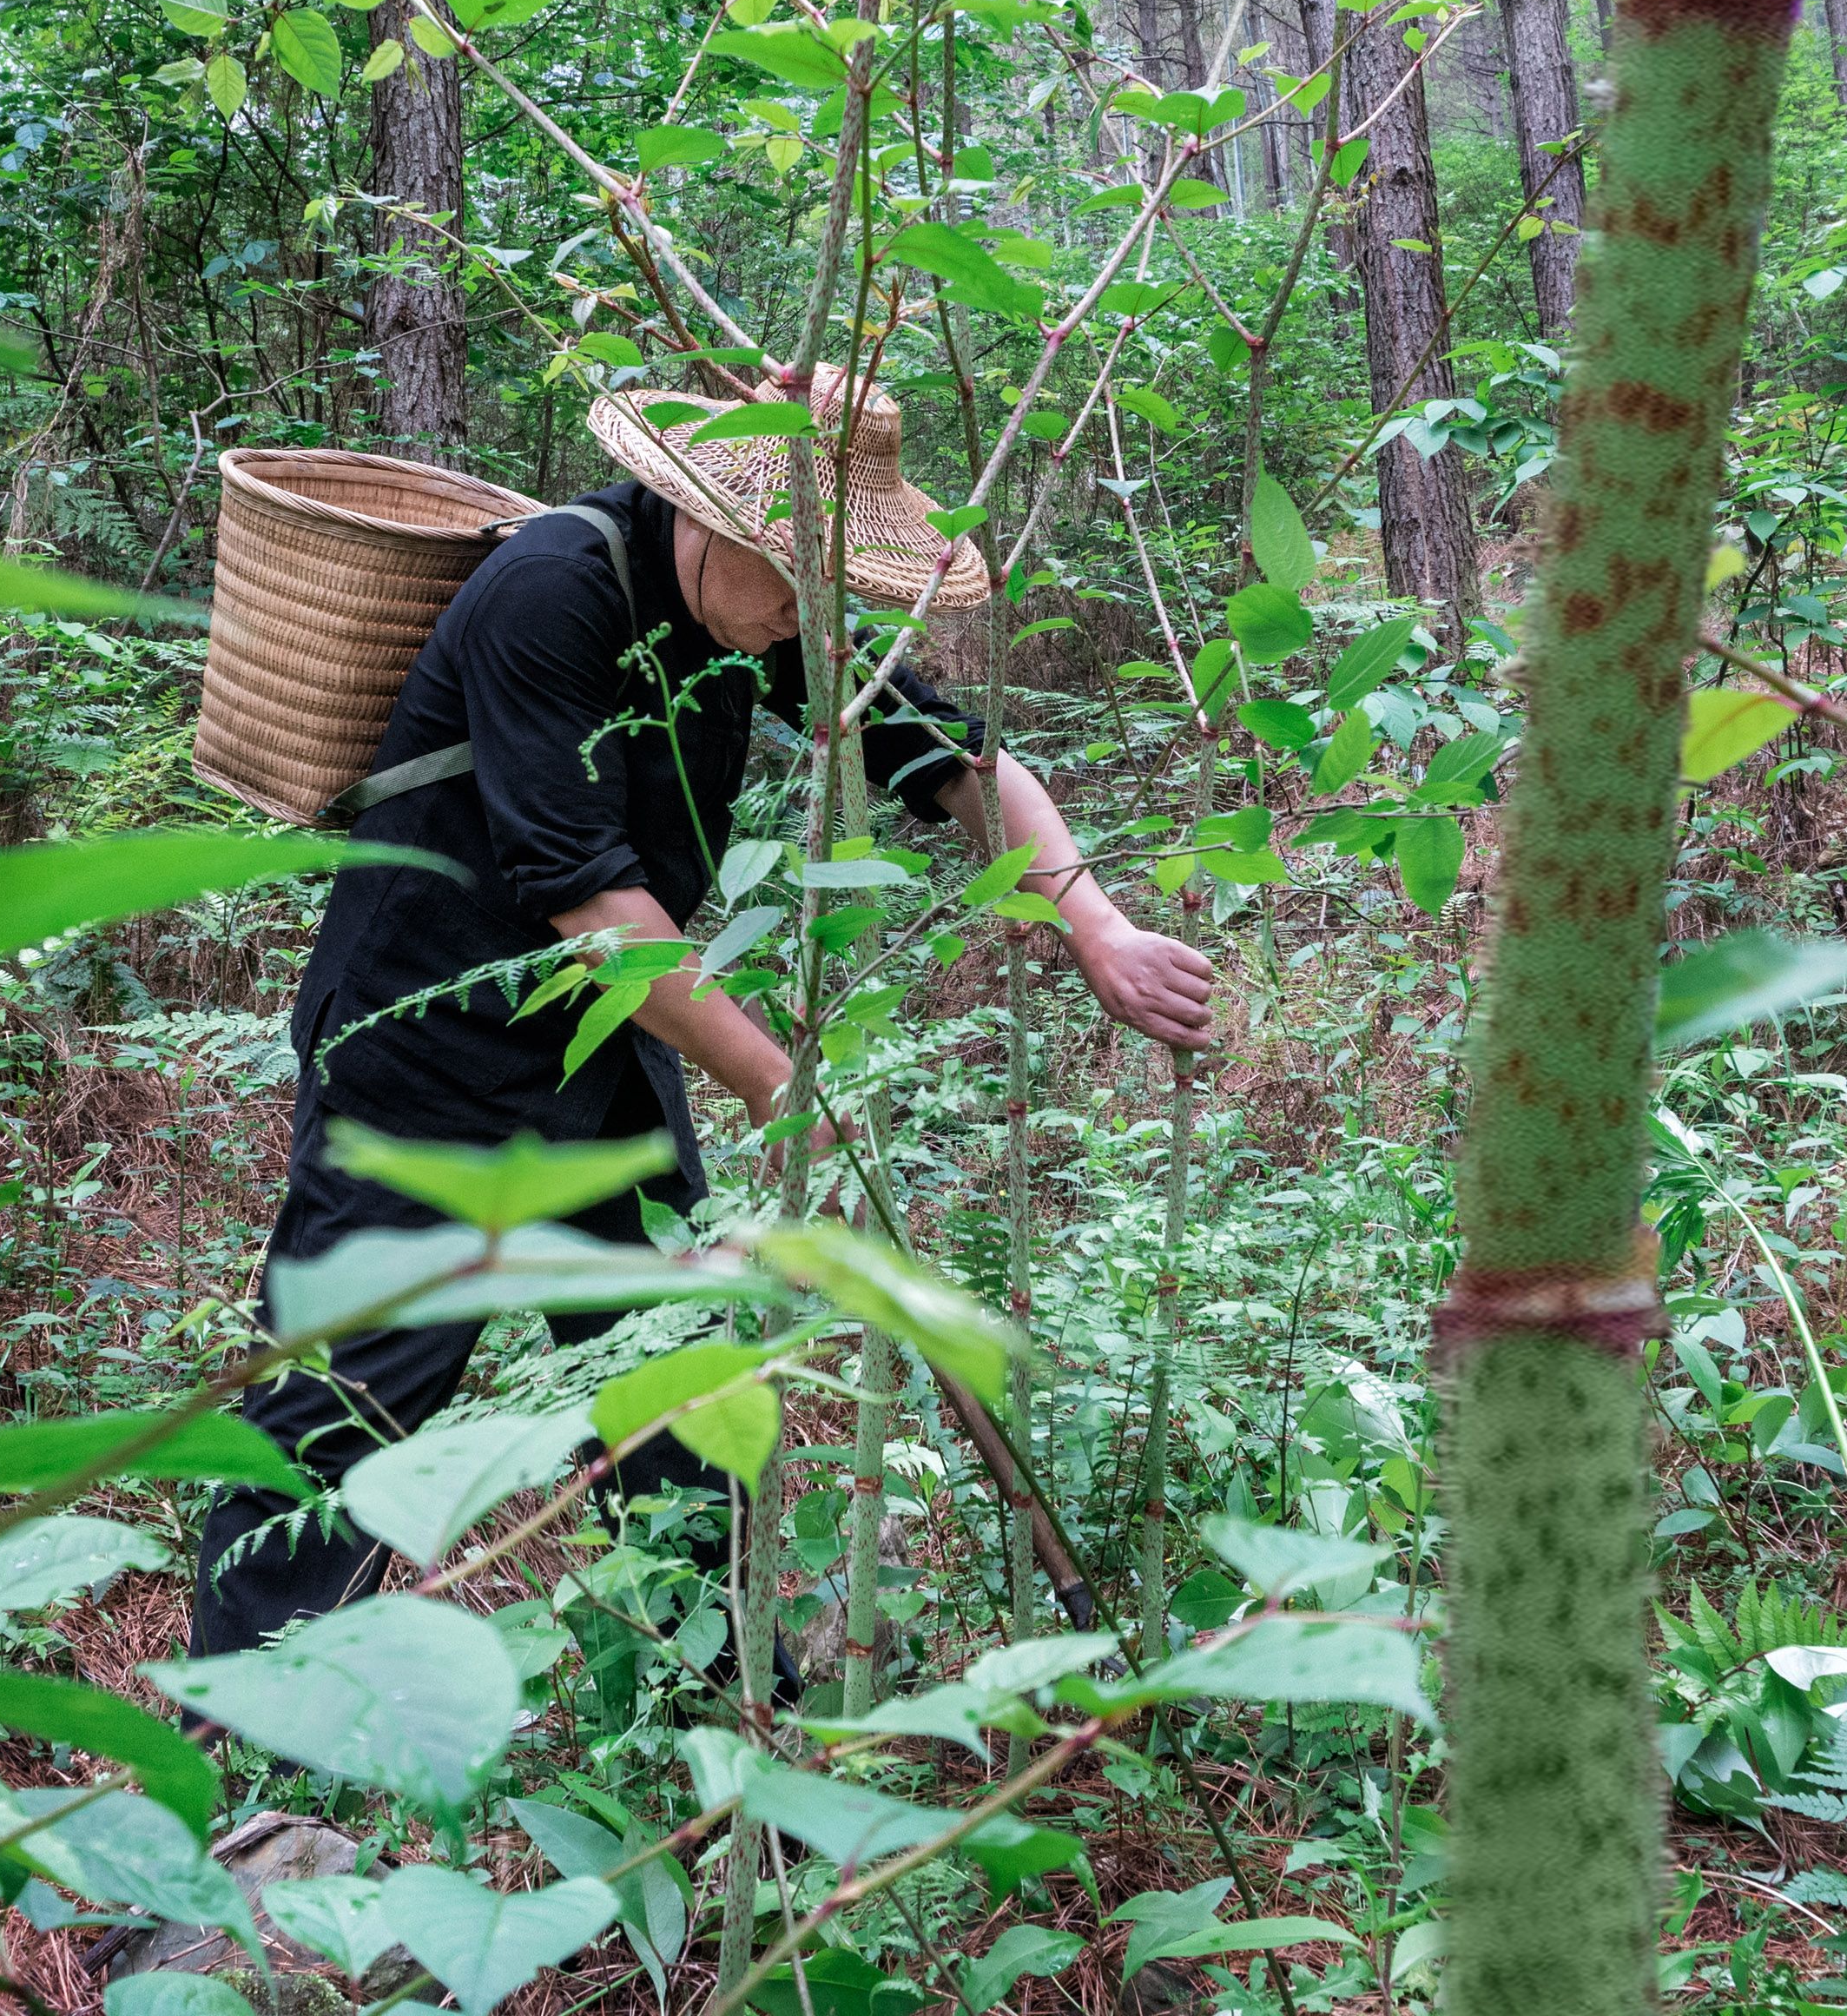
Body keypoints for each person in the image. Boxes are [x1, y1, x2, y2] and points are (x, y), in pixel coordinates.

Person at [187, 369, 1217, 1661]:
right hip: (420, 1047)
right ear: (706, 516)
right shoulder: (552, 591)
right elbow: (594, 907)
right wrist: (777, 1080)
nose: (806, 614)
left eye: (830, 583)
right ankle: (251, 1757)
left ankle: (723, 1740)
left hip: (610, 1051)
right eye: (792, 575)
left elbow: (960, 763)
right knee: (345, 1408)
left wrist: (1097, 924)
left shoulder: (772, 618)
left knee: (669, 1389)